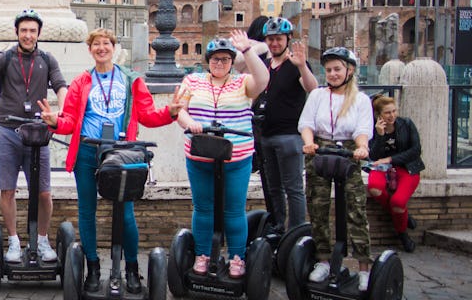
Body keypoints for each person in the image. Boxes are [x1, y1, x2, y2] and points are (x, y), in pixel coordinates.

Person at [39, 28, 184, 293]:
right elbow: (70, 120)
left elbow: (148, 115)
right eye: (96, 44)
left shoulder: (131, 80)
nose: (101, 48)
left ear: (114, 47)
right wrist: (54, 122)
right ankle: (93, 267)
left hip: (120, 153)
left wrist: (170, 113)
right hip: (87, 150)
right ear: (90, 49)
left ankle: (130, 268)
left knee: (126, 213)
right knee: (87, 212)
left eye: (106, 43)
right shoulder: (81, 81)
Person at [0, 9, 68, 264]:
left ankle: (42, 239)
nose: (28, 35)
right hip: (6, 131)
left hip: (38, 132)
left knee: (44, 192)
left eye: (32, 31)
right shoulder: (5, 57)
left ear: (38, 34)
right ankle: (14, 240)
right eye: (23, 30)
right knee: (8, 190)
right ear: (17, 33)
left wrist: (63, 111)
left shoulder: (47, 59)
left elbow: (60, 86)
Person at [175, 30, 269, 279]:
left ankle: (237, 257)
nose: (220, 63)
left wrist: (247, 50)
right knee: (203, 208)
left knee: (234, 210)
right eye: (216, 59)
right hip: (200, 155)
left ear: (231, 62)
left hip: (236, 156)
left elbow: (262, 80)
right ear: (208, 60)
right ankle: (203, 254)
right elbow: (179, 110)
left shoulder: (242, 82)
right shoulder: (192, 81)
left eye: (225, 59)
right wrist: (189, 123)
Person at [299, 47, 374, 290]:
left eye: (337, 69)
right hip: (319, 151)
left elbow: (363, 130)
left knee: (356, 208)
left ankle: (363, 266)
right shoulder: (318, 96)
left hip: (349, 151)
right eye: (329, 70)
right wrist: (309, 143)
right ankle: (323, 260)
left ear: (349, 70)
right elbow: (307, 123)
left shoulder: (361, 100)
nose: (332, 74)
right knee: (318, 206)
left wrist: (362, 148)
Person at [254, 17, 318, 233]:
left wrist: (302, 67)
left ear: (288, 39)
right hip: (266, 134)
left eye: (279, 39)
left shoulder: (296, 64)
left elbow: (312, 88)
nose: (274, 44)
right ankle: (279, 227)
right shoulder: (265, 65)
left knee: (293, 188)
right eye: (270, 39)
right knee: (273, 188)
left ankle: (297, 232)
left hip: (289, 135)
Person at [368, 94, 422, 252]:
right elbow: (374, 156)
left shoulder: (407, 124)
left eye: (394, 111)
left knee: (398, 202)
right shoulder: (372, 128)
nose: (392, 115)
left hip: (407, 167)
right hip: (381, 167)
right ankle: (404, 215)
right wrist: (380, 135)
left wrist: (391, 159)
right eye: (387, 113)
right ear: (379, 115)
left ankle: (402, 235)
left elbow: (416, 150)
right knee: (374, 188)